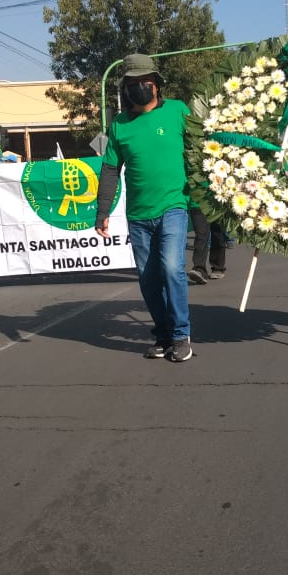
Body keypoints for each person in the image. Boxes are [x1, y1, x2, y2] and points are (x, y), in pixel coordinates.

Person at [95, 54, 193, 363]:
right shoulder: (120, 126)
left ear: (157, 84)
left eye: (145, 82)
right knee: (148, 279)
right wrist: (102, 212)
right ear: (125, 89)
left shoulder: (178, 112)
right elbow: (110, 170)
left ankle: (181, 336)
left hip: (174, 206)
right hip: (138, 215)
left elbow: (201, 151)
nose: (140, 87)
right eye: (133, 83)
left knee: (172, 268)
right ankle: (163, 334)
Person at [188, 206, 227, 284]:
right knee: (201, 234)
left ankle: (218, 267)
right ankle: (199, 269)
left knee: (218, 235)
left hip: (217, 202)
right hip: (197, 202)